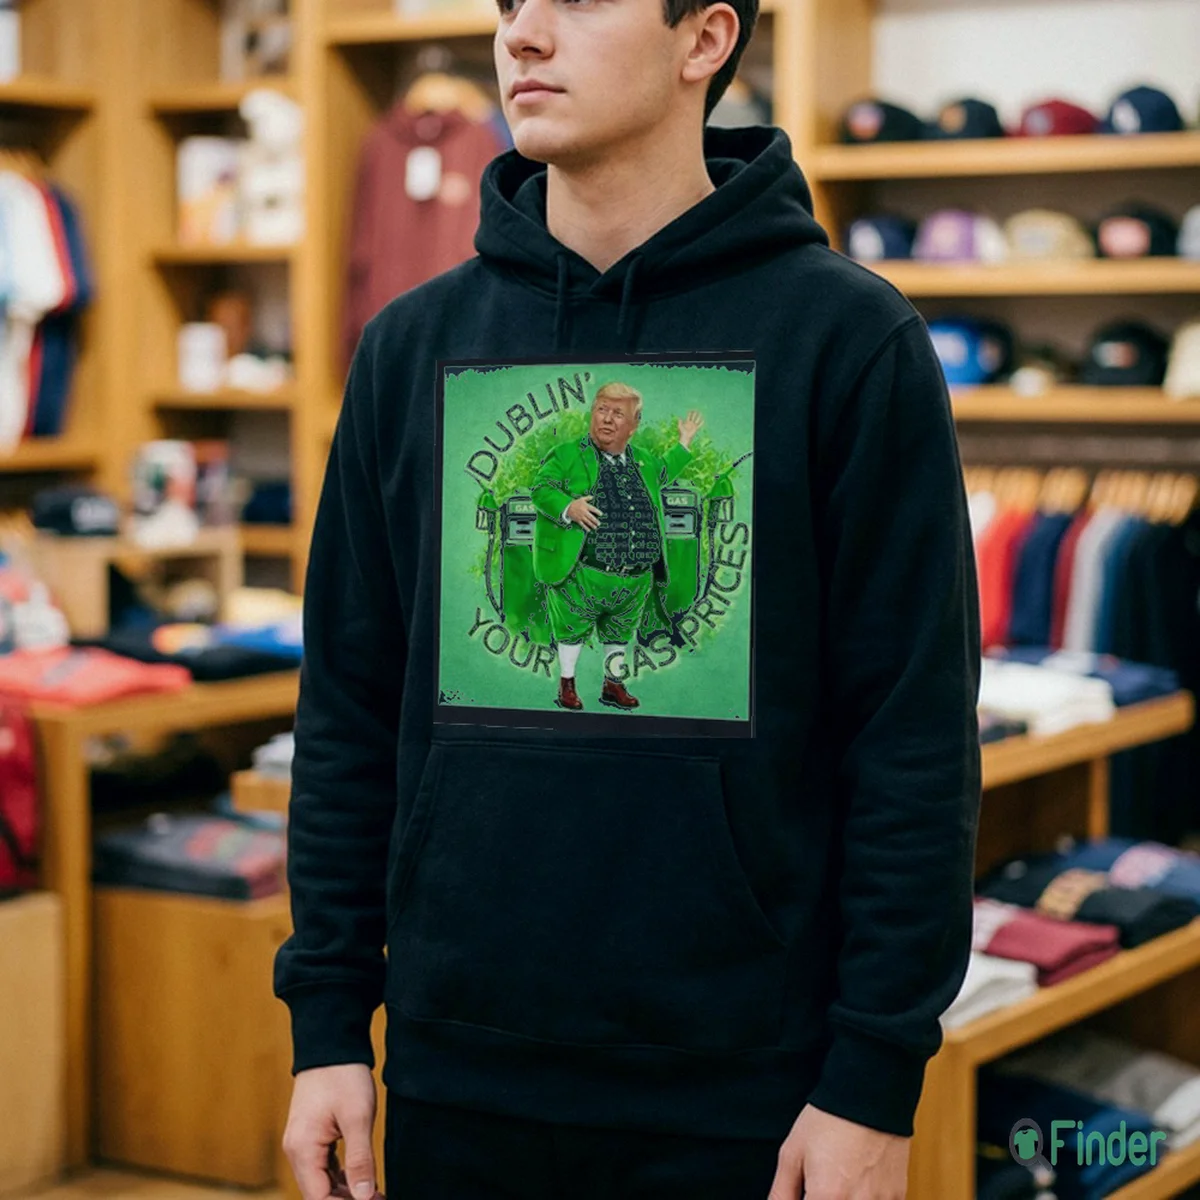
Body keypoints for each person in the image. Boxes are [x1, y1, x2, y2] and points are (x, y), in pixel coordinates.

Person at [274, 0, 982, 1190]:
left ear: (703, 40)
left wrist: (873, 1077)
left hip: (748, 1092)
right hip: (456, 1071)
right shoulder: (409, 349)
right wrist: (330, 1022)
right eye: (510, 2)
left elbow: (912, 742)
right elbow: (346, 708)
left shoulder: (851, 341)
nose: (522, 35)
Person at [530, 379, 704, 711]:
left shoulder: (644, 461)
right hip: (583, 574)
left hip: (635, 577)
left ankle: (613, 685)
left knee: (619, 633)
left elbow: (664, 470)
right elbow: (541, 488)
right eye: (602, 410)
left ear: (634, 425)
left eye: (618, 414)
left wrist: (684, 441)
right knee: (570, 629)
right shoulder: (567, 455)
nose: (607, 419)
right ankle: (567, 684)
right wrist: (569, 507)